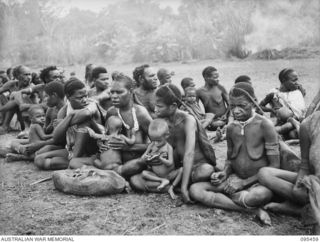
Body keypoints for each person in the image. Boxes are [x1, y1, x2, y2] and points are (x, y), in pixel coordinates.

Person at [189, 83, 281, 225]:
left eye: (242, 106)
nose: (236, 111)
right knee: (195, 190)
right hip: (234, 179)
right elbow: (230, 159)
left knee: (258, 196)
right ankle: (251, 210)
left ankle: (231, 199)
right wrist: (224, 173)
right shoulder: (231, 128)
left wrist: (243, 183)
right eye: (232, 106)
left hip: (258, 183)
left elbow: (274, 166)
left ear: (253, 102)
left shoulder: (265, 125)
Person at [130, 84, 216, 203]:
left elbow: (189, 154)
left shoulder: (188, 120)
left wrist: (184, 187)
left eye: (159, 106)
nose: (155, 109)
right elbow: (158, 147)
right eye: (155, 105)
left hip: (194, 168)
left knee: (206, 170)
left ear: (173, 106)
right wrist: (152, 160)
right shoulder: (162, 122)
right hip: (174, 171)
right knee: (135, 180)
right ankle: (175, 187)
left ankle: (181, 187)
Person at [258, 110, 320, 233]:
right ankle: (305, 207)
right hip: (314, 184)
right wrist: (298, 184)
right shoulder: (309, 124)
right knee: (264, 173)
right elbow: (305, 166)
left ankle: (301, 210)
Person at [34, 77, 104, 170]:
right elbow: (56, 137)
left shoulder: (92, 104)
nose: (84, 100)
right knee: (39, 159)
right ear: (68, 97)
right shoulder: (64, 111)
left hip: (93, 150)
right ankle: (76, 163)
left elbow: (86, 114)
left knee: (85, 121)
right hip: (73, 149)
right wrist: (70, 116)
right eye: (79, 97)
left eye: (86, 96)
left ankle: (75, 162)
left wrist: (64, 124)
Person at [103, 74, 153, 177]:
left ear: (130, 91)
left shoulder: (141, 114)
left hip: (135, 163)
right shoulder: (111, 112)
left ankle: (115, 174)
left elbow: (159, 145)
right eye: (112, 92)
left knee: (137, 166)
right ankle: (114, 173)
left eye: (119, 92)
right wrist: (102, 144)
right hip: (115, 161)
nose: (114, 96)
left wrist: (130, 147)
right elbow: (107, 138)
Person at [141, 119, 182, 199]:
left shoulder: (168, 147)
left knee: (182, 170)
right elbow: (142, 157)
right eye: (153, 140)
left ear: (166, 135)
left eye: (159, 141)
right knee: (144, 173)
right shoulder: (152, 145)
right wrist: (146, 158)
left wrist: (160, 159)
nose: (156, 143)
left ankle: (172, 187)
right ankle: (162, 181)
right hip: (156, 175)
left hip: (169, 174)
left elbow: (170, 163)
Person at [259, 68, 306, 140]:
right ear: (284, 80)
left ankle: (293, 128)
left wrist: (301, 89)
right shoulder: (274, 94)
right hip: (283, 122)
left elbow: (300, 102)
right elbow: (260, 106)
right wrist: (272, 110)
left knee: (293, 134)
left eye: (297, 80)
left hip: (298, 119)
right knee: (290, 130)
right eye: (294, 80)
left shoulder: (297, 91)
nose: (297, 82)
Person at [196, 66, 229, 131]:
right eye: (215, 77)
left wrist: (226, 114)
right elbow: (196, 109)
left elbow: (230, 104)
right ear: (206, 78)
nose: (218, 79)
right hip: (211, 122)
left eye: (218, 77)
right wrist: (205, 119)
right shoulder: (199, 92)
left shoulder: (221, 88)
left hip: (224, 119)